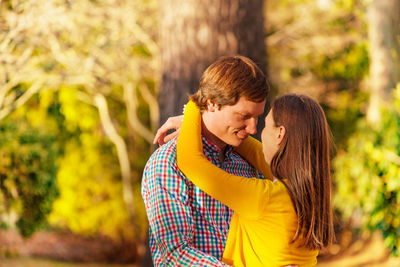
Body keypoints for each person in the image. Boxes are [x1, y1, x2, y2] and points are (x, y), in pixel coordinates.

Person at [168, 95, 335, 266]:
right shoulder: (308, 193)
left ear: (280, 133)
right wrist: (205, 126)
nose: (256, 131)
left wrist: (195, 105)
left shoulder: (266, 198)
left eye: (266, 125)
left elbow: (191, 162)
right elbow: (255, 152)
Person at [141, 55, 270, 266]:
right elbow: (175, 254)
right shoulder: (168, 163)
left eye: (257, 117)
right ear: (212, 104)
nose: (253, 128)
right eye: (243, 116)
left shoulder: (248, 163)